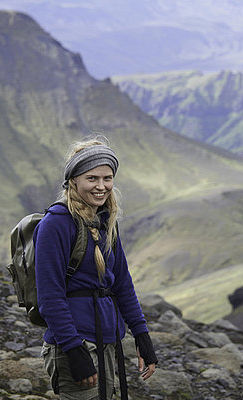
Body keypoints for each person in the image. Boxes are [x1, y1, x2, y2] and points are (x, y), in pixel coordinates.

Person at [34, 137, 158, 400]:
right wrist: (73, 350)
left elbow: (122, 283)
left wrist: (141, 334)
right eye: (92, 178)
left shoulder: (105, 221)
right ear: (73, 181)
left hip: (106, 342)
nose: (101, 187)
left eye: (107, 178)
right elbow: (50, 297)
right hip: (76, 344)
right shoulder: (55, 224)